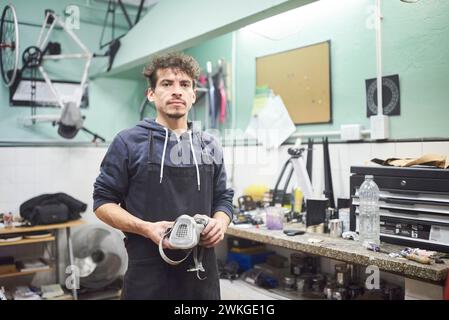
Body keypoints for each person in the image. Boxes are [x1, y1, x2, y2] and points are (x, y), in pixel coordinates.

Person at [93, 52, 234, 300]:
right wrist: (146, 228)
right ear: (151, 94)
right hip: (148, 278)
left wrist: (220, 224)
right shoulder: (128, 142)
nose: (177, 91)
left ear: (193, 95)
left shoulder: (209, 145)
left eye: (185, 85)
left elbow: (224, 198)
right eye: (167, 84)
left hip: (201, 279)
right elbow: (102, 202)